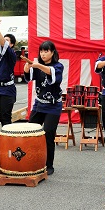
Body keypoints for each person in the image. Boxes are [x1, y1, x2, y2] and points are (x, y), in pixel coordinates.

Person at [24, 41, 63, 176]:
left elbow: (52, 74)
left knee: (48, 134)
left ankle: (49, 164)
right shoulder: (37, 66)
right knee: (30, 132)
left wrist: (37, 65)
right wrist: (27, 68)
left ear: (52, 52)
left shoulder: (58, 66)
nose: (43, 54)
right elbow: (28, 77)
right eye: (41, 51)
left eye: (46, 51)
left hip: (53, 106)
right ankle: (29, 160)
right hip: (39, 104)